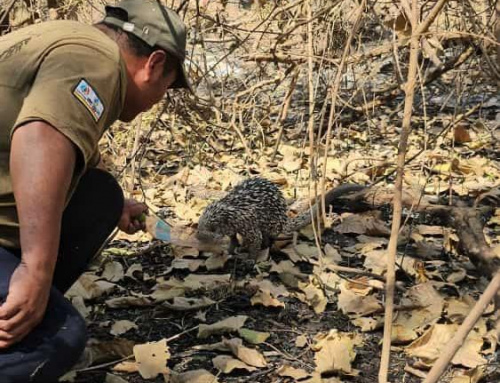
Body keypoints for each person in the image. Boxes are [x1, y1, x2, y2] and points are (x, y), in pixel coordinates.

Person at [0, 0, 191, 381]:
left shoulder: (59, 39)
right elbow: (41, 134)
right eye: (166, 88)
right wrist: (35, 270)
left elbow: (57, 146)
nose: (157, 102)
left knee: (101, 194)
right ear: (153, 64)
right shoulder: (99, 59)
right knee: (58, 340)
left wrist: (114, 204)